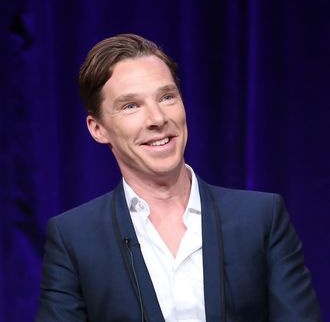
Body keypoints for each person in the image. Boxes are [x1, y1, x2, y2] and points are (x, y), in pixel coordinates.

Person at [36, 33, 322, 322]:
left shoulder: (261, 218)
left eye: (167, 97)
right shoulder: (74, 238)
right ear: (98, 128)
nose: (157, 118)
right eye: (131, 106)